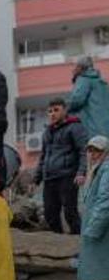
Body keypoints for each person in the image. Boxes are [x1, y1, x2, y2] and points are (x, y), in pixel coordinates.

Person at [35, 98, 89, 235]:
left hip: (67, 176)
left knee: (70, 212)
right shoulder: (47, 132)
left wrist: (81, 172)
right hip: (50, 178)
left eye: (56, 110)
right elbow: (43, 156)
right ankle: (59, 243)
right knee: (50, 214)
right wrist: (37, 177)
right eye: (50, 111)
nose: (52, 114)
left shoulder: (75, 127)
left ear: (64, 110)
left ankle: (79, 241)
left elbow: (84, 151)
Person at [80, 136, 109, 280]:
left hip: (102, 231)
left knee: (104, 271)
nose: (93, 154)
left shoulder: (106, 170)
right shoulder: (96, 171)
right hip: (99, 229)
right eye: (90, 150)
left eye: (97, 150)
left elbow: (105, 201)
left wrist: (93, 228)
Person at [68, 55, 109, 141]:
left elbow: (76, 100)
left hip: (92, 129)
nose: (73, 70)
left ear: (80, 67)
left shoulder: (84, 79)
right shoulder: (102, 82)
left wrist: (65, 109)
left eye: (75, 66)